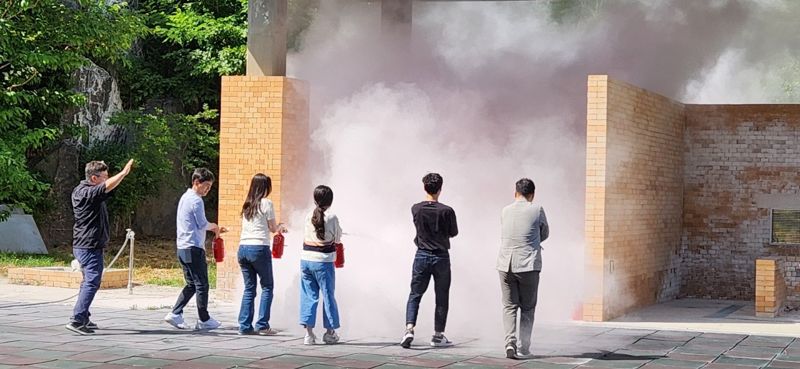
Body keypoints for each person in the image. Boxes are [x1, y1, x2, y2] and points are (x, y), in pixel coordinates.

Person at [65, 159, 134, 335]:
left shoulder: (89, 191)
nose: (107, 179)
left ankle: (84, 316)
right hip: (88, 246)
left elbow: (106, 188)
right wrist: (124, 173)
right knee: (92, 281)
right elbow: (105, 187)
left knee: (88, 281)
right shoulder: (85, 192)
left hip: (88, 245)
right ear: (94, 178)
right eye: (104, 176)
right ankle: (77, 320)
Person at [401, 173, 458, 348]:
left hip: (421, 255)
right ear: (440, 189)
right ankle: (438, 335)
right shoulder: (447, 211)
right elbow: (453, 232)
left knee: (415, 294)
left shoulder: (416, 208)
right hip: (441, 256)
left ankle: (409, 328)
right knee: (441, 296)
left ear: (424, 187)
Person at [164, 168, 225, 330]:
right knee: (202, 284)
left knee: (192, 284)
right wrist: (216, 227)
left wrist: (214, 228)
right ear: (196, 182)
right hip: (193, 248)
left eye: (210, 187)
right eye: (206, 185)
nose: (207, 189)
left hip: (183, 247)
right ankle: (204, 319)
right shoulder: (196, 200)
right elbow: (202, 224)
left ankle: (175, 313)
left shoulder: (185, 197)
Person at [497, 178, 549, 359]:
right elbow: (545, 233)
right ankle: (523, 347)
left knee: (509, 306)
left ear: (515, 193)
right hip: (527, 264)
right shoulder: (537, 209)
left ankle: (509, 343)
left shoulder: (505, 210)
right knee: (527, 307)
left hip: (505, 264)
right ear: (532, 195)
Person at [237, 173, 287, 335]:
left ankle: (244, 326)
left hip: (243, 248)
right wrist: (281, 227)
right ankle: (262, 325)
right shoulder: (266, 203)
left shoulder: (247, 204)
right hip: (259, 248)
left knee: (249, 289)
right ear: (265, 187)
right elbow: (273, 228)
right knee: (267, 286)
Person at [299, 185, 342, 345]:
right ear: (330, 201)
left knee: (309, 296)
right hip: (324, 262)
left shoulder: (307, 215)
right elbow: (337, 240)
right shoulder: (332, 217)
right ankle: (330, 332)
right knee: (328, 296)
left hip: (306, 261)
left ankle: (308, 335)